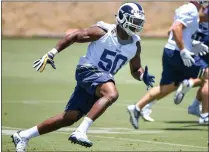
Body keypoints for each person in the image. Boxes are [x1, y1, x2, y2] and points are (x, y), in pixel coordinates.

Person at [11, 2, 155, 152]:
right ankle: (81, 131)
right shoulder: (104, 31)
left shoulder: (135, 44)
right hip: (87, 70)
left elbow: (135, 68)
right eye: (134, 21)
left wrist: (143, 76)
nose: (137, 25)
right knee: (111, 93)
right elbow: (74, 36)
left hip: (100, 80)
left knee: (69, 118)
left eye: (139, 22)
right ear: (122, 18)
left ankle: (24, 136)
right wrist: (52, 53)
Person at [127, 1, 209, 129]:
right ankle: (204, 113)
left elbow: (176, 31)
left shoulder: (187, 8)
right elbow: (176, 28)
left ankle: (137, 108)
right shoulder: (192, 10)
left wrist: (192, 44)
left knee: (167, 87)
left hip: (170, 51)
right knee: (207, 76)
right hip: (178, 53)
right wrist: (183, 49)